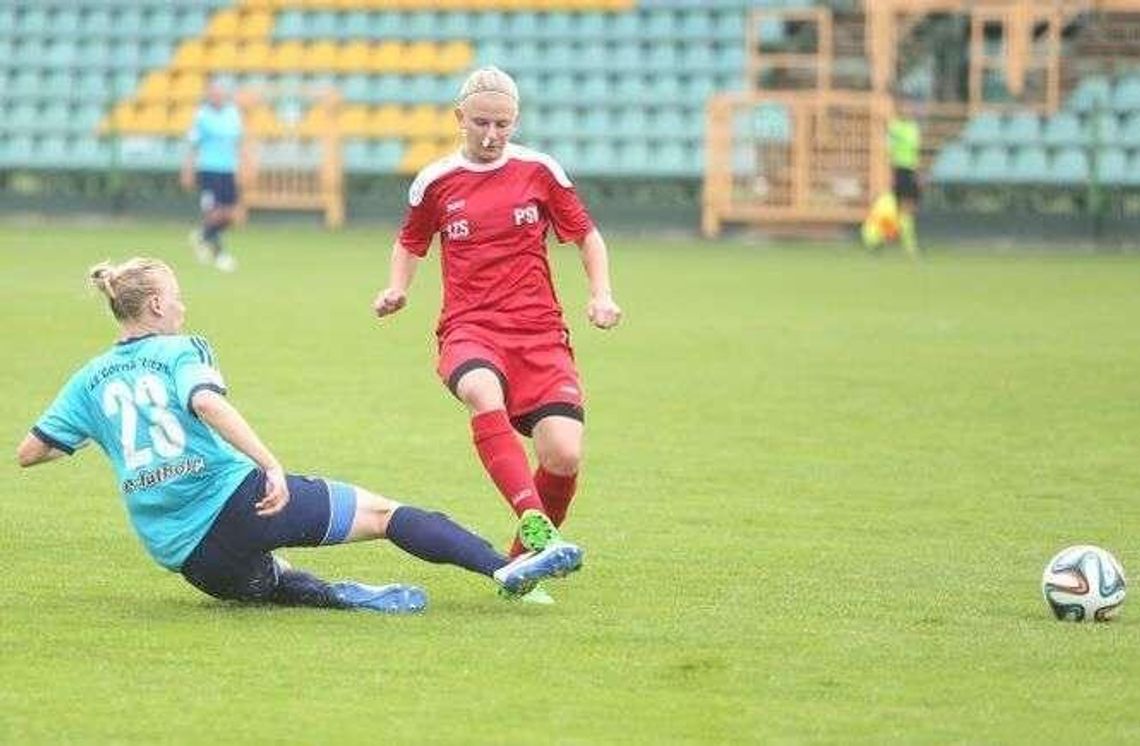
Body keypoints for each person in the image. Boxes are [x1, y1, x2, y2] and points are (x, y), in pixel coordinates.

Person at [15, 257, 583, 614]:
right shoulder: (180, 348)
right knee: (385, 516)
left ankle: (334, 596)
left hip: (187, 558)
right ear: (159, 305)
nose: (184, 304)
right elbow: (206, 402)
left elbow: (31, 452)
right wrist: (269, 462)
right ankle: (502, 568)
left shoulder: (89, 378)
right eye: (178, 294)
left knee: (268, 582)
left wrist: (105, 433)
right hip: (240, 503)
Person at [372, 66, 622, 604]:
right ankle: (535, 523)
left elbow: (586, 236)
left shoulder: (539, 170)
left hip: (539, 334)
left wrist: (601, 294)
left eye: (502, 125)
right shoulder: (435, 181)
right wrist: (397, 289)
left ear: (516, 122)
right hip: (470, 329)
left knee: (563, 456)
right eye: (481, 123)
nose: (491, 135)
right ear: (460, 118)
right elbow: (410, 241)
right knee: (482, 392)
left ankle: (519, 567)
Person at [181, 82, 242, 272]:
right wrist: (188, 169)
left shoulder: (233, 114)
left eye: (220, 93)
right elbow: (193, 145)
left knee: (230, 214)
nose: (217, 97)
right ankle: (219, 254)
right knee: (213, 212)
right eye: (213, 94)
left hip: (228, 169)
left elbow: (239, 140)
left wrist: (246, 163)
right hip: (208, 168)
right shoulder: (202, 116)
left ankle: (202, 235)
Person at [864, 94, 923, 258]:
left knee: (906, 210)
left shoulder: (913, 128)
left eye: (909, 108)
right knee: (897, 209)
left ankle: (892, 242)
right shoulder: (895, 127)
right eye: (904, 108)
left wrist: (918, 173)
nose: (908, 111)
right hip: (898, 170)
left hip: (909, 170)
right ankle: (888, 241)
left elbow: (915, 153)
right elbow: (885, 135)